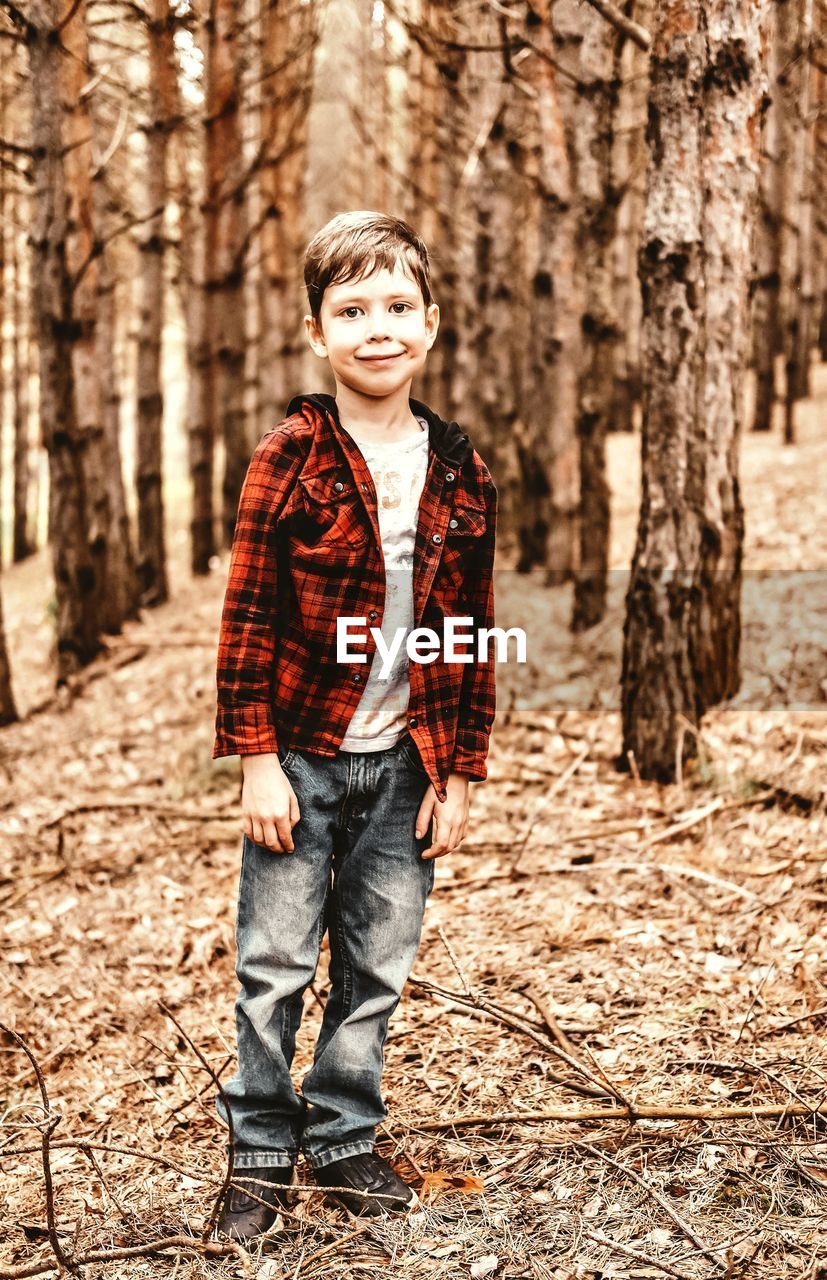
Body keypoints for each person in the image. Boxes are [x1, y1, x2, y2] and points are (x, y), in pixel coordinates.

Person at [211, 210, 497, 1243]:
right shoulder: (286, 459)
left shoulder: (459, 469)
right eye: (352, 310)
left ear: (430, 321)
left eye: (396, 307)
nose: (377, 328)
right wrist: (254, 762)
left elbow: (463, 631)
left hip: (407, 763)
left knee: (375, 963)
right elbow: (246, 622)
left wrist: (459, 769)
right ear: (316, 331)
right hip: (300, 756)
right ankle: (257, 1154)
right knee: (276, 961)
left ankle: (341, 1135)